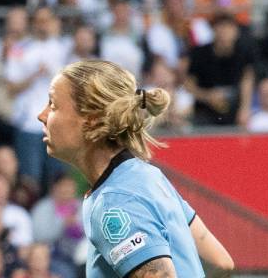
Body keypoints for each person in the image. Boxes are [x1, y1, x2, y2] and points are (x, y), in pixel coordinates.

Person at [35, 60, 234, 277]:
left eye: (53, 105)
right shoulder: (148, 176)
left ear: (91, 120)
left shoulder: (114, 202)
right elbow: (221, 263)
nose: (42, 115)